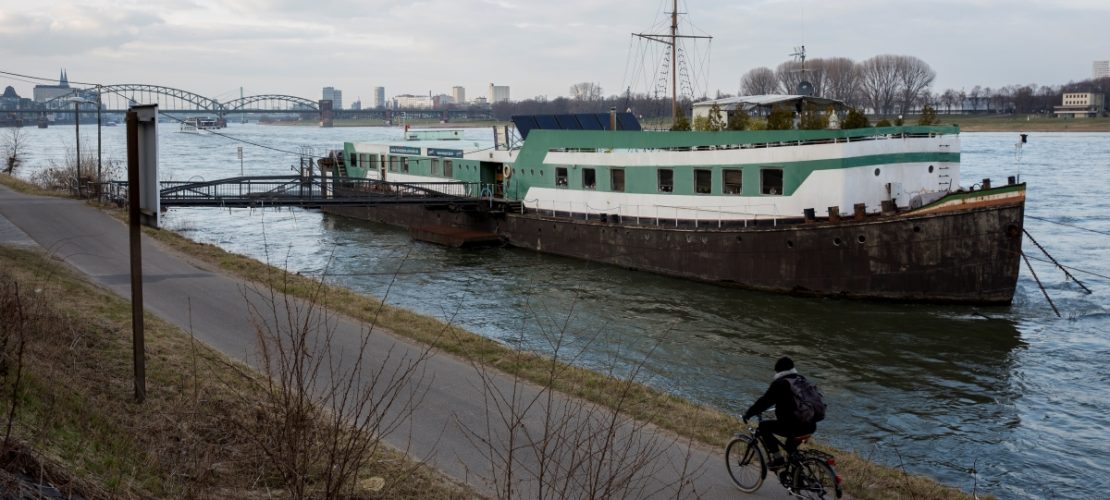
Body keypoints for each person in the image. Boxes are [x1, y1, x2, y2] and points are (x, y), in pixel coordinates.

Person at [742, 356, 818, 468]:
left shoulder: (780, 383)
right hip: (811, 425)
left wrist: (749, 413)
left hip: (793, 427)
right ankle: (798, 475)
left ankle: (778, 459)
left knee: (764, 426)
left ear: (778, 371)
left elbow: (764, 401)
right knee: (790, 448)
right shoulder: (802, 380)